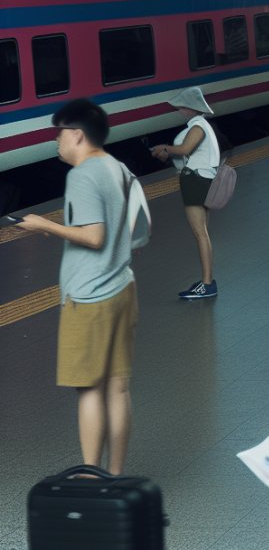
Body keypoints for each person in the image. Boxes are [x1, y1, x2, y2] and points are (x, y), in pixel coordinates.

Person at [20, 101, 139, 475]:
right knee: (118, 389)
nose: (56, 141)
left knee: (89, 390)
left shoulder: (83, 175)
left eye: (59, 133)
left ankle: (92, 477)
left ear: (77, 134)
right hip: (122, 286)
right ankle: (114, 476)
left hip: (89, 297)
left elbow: (93, 235)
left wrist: (44, 225)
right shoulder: (116, 166)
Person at [150, 86, 223, 300]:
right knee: (204, 233)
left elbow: (185, 150)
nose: (180, 110)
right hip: (203, 180)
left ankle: (207, 284)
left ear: (190, 108)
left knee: (199, 234)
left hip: (196, 181)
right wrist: (166, 153)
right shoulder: (203, 125)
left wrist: (165, 147)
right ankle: (207, 281)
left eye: (182, 107)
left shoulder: (198, 126)